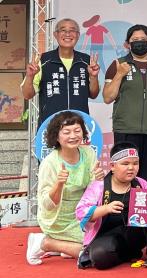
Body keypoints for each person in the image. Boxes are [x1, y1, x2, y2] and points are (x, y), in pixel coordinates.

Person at [27, 111, 104, 265]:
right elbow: (47, 205)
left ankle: (64, 247)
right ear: (56, 136)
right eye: (67, 132)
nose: (73, 136)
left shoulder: (88, 153)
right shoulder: (50, 163)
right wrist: (59, 184)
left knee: (107, 239)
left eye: (77, 131)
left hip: (82, 214)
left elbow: (93, 193)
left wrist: (98, 179)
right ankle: (44, 242)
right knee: (94, 252)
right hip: (58, 219)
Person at [75, 143, 147, 269]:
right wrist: (105, 208)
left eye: (135, 163)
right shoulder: (99, 186)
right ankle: (127, 254)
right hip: (107, 235)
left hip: (134, 234)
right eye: (125, 164)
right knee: (99, 256)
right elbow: (80, 212)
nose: (131, 168)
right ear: (112, 166)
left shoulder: (141, 183)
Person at [103, 24, 147, 186]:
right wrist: (120, 74)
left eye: (143, 39)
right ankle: (124, 203)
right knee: (125, 176)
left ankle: (145, 202)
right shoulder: (118, 64)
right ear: (127, 44)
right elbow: (107, 97)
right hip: (126, 130)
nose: (139, 42)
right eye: (135, 40)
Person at [21, 18, 100, 126]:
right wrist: (30, 76)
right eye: (63, 30)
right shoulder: (43, 60)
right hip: (50, 126)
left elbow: (93, 94)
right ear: (55, 34)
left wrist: (94, 77)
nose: (68, 34)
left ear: (78, 35)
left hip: (78, 127)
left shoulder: (86, 61)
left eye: (72, 30)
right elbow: (27, 95)